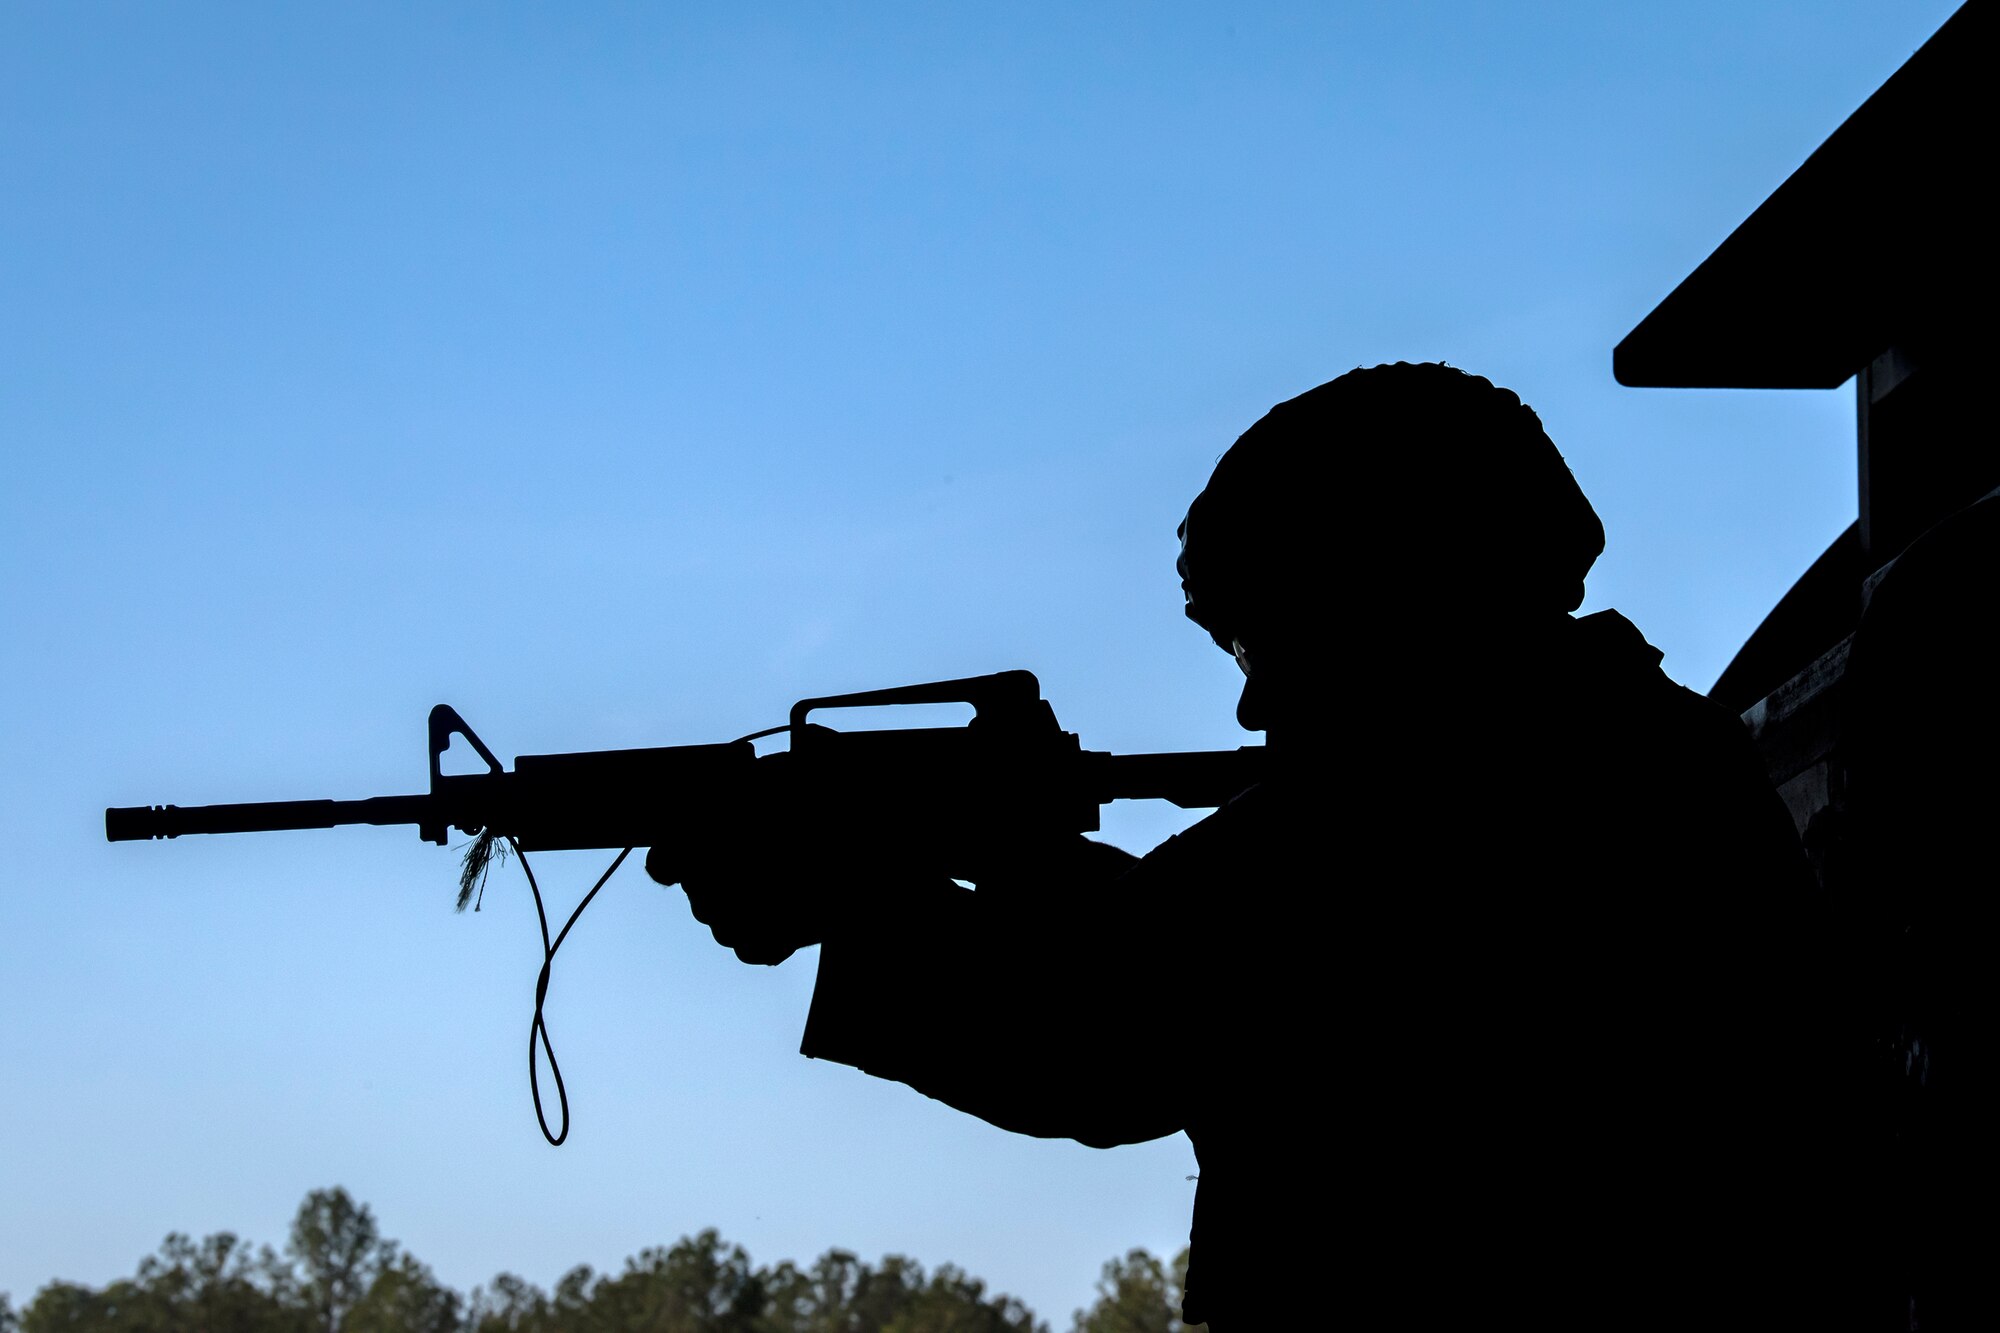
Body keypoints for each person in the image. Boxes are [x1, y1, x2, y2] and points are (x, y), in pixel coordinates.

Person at [652, 362, 1830, 1329]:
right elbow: (1214, 962)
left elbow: (1119, 1027)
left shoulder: (1484, 784)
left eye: (1265, 642)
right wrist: (999, 863)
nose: (1250, 710)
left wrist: (863, 903)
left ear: (1394, 594)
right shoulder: (1610, 753)